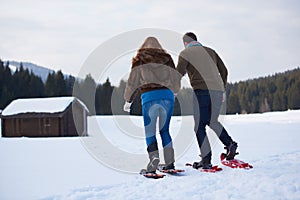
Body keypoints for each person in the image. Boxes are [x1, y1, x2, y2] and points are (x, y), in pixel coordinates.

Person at [176, 32, 238, 169]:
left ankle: (206, 159)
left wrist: (173, 89)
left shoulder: (186, 53)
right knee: (212, 121)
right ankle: (230, 144)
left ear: (185, 43)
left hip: (201, 91)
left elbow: (178, 73)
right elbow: (224, 71)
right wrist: (222, 89)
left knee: (199, 126)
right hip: (216, 92)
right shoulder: (211, 51)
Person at [123, 37, 181, 173]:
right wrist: (175, 91)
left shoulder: (139, 60)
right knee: (165, 130)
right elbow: (175, 78)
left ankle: (154, 158)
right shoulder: (167, 58)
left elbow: (132, 82)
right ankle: (170, 163)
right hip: (167, 96)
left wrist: (128, 100)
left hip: (149, 97)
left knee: (150, 131)